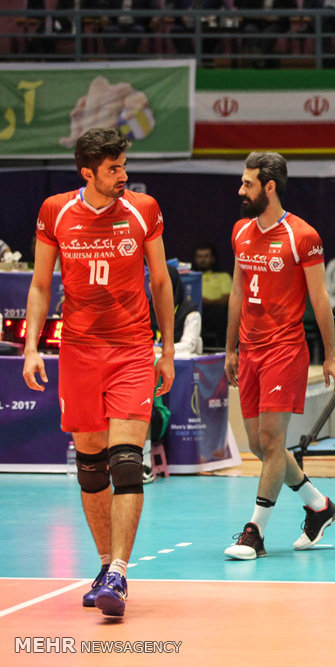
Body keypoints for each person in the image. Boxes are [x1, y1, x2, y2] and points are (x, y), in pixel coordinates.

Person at [22, 127, 176, 617]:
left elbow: (161, 281)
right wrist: (31, 347)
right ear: (87, 173)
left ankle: (119, 574)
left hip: (131, 349)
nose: (123, 175)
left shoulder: (142, 209)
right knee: (90, 467)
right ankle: (105, 564)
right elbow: (41, 285)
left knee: (126, 461)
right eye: (113, 169)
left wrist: (167, 350)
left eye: (124, 165)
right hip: (79, 352)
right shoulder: (55, 211)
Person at [224, 151, 335, 560]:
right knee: (260, 447)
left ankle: (254, 534)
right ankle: (319, 506)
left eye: (248, 183)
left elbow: (320, 297)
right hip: (249, 350)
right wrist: (230, 348)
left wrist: (331, 354)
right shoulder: (241, 231)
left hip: (284, 349)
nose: (241, 190)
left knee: (273, 441)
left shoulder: (302, 235)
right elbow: (237, 292)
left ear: (270, 187)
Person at [151, 264, 202, 356]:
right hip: (149, 359)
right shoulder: (146, 308)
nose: (152, 285)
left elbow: (189, 345)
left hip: (179, 361)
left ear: (171, 283)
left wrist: (161, 349)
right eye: (151, 280)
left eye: (157, 281)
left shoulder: (190, 311)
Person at [192, 243, 232, 348]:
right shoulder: (190, 277)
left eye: (206, 256)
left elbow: (227, 299)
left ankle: (222, 348)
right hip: (194, 310)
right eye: (199, 257)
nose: (202, 260)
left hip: (215, 312)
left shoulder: (223, 276)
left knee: (223, 313)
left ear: (213, 259)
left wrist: (206, 302)